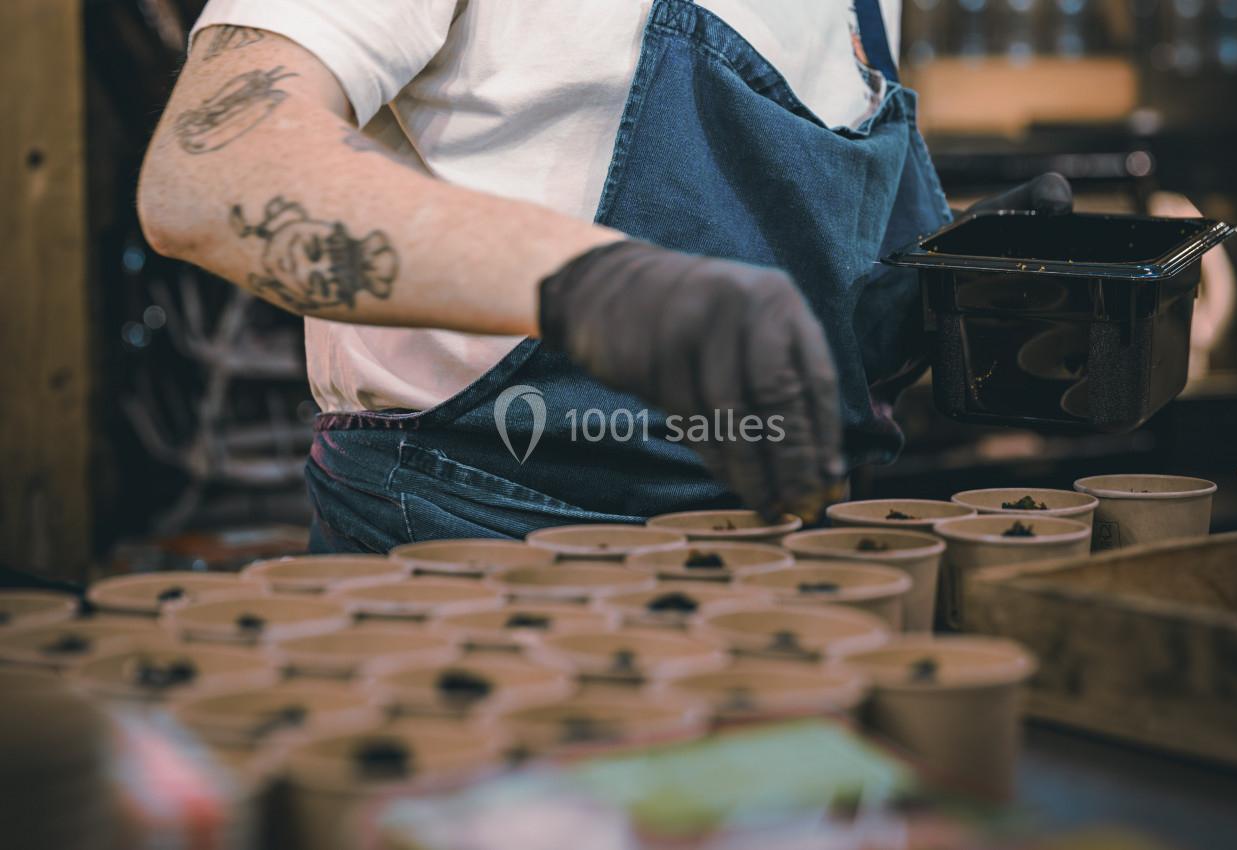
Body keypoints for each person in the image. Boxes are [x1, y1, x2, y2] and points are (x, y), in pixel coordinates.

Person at [138, 1, 1071, 552]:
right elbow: (212, 173)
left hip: (778, 564)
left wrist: (899, 314)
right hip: (472, 554)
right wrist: (600, 286)